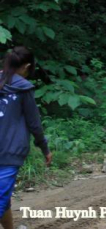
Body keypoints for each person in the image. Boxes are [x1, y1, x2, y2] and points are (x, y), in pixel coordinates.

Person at [0, 47, 52, 229]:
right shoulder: (23, 88)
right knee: (0, 197)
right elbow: (34, 123)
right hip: (9, 152)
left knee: (2, 198)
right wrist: (44, 148)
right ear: (27, 66)